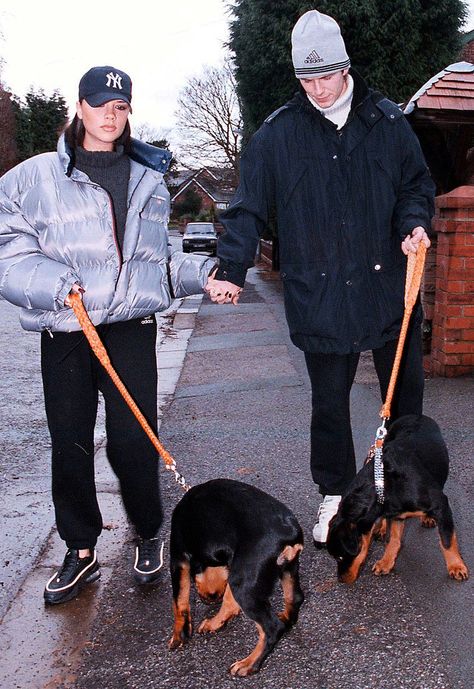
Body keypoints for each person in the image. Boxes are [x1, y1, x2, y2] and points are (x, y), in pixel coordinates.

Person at [205, 11, 434, 546]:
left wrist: (414, 224)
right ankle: (336, 494)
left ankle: (400, 487)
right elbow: (247, 207)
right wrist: (231, 268)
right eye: (306, 79)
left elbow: (416, 186)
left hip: (386, 287)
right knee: (328, 403)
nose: (317, 89)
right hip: (321, 290)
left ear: (346, 67)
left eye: (325, 76)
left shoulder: (388, 122)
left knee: (404, 398)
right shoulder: (278, 134)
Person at [0, 65, 215, 604]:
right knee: (69, 443)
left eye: (120, 107)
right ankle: (80, 551)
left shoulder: (148, 178)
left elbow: (156, 262)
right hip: (67, 328)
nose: (110, 116)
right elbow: (8, 245)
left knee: (133, 441)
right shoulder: (34, 177)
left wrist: (205, 277)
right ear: (79, 106)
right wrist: (53, 283)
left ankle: (147, 533)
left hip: (128, 329)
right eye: (100, 105)